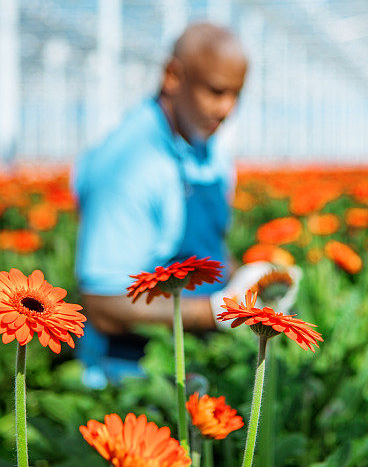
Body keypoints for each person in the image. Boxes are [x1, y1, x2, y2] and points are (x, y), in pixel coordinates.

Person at [72, 22, 296, 388]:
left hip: (191, 360)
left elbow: (206, 248)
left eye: (236, 94)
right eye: (216, 91)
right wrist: (214, 311)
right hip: (130, 376)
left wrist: (249, 281)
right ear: (173, 75)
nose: (227, 109)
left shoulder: (208, 147)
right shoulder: (127, 165)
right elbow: (102, 305)